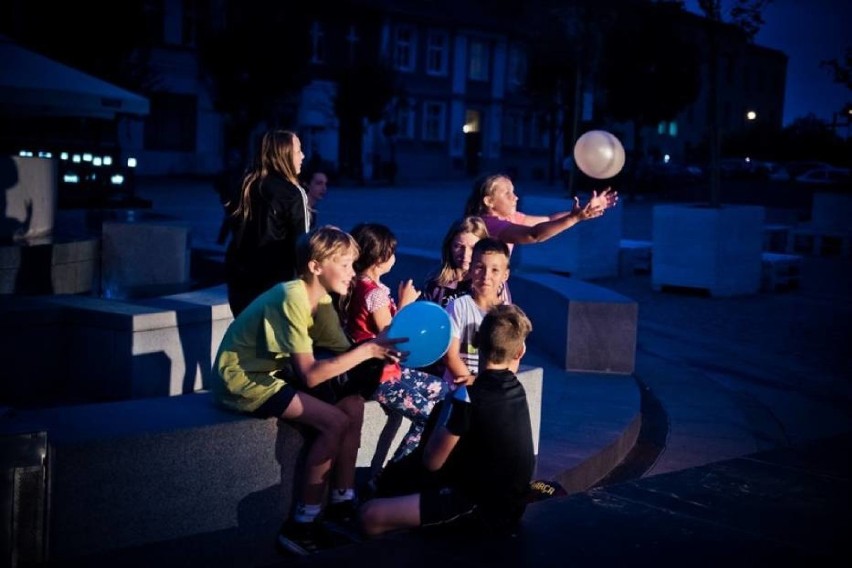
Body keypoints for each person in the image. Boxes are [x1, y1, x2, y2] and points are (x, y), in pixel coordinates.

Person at [213, 225, 406, 556]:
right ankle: (302, 524)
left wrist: (381, 351)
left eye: (352, 264)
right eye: (344, 264)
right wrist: (369, 350)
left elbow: (346, 354)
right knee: (333, 422)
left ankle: (341, 503)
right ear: (316, 267)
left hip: (276, 373)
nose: (352, 272)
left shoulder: (325, 301)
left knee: (353, 404)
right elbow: (312, 374)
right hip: (243, 378)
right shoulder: (293, 297)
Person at [358, 304, 536, 538]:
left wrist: (449, 405)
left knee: (370, 515)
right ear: (520, 352)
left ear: (476, 342)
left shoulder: (467, 398)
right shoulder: (516, 389)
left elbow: (432, 461)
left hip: (480, 508)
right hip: (510, 503)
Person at [342, 223, 451, 461]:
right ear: (380, 258)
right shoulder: (375, 293)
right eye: (391, 253)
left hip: (390, 371)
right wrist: (405, 304)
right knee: (430, 416)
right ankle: (395, 470)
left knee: (443, 390)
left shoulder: (355, 285)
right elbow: (392, 336)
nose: (394, 258)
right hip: (378, 377)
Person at [224, 129, 310, 317]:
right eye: (298, 151)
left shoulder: (245, 185)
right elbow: (302, 246)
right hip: (276, 286)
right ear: (283, 155)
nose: (302, 156)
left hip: (240, 282)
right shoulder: (293, 193)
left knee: (248, 342)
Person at [462, 172, 618, 260]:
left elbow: (549, 220)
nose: (515, 197)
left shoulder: (510, 218)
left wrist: (584, 210)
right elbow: (533, 234)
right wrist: (574, 218)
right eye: (507, 193)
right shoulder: (488, 224)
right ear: (489, 201)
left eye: (514, 192)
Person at [441, 237, 511, 387]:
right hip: (459, 389)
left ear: (505, 275)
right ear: (471, 269)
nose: (486, 276)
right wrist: (472, 382)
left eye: (495, 270)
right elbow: (450, 355)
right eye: (480, 267)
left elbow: (513, 359)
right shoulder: (457, 307)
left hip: (493, 392)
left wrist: (489, 386)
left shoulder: (509, 314)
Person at [421, 216, 490, 308]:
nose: (465, 254)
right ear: (449, 247)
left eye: (473, 248)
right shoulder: (436, 283)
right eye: (458, 246)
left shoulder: (491, 282)